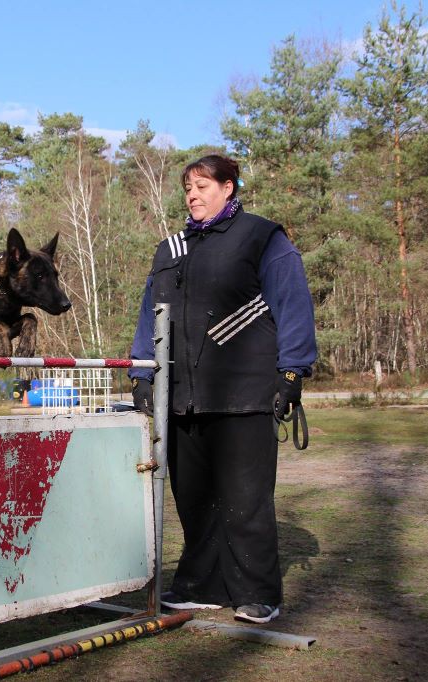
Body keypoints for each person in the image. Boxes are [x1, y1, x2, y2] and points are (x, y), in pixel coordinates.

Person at [128, 153, 317, 624]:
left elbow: (291, 303)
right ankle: (201, 586)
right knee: (193, 499)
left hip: (245, 394)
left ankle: (258, 592)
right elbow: (148, 314)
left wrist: (292, 372)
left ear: (228, 187)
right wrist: (142, 373)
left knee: (245, 498)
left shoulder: (261, 237)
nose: (192, 194)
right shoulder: (169, 250)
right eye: (187, 188)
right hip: (183, 398)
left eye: (202, 186)